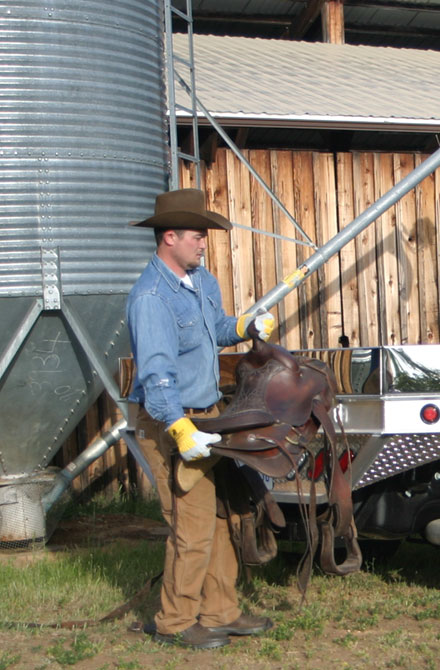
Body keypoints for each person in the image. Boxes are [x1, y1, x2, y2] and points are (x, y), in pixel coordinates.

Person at [126, 188, 277, 650]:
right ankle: (175, 621)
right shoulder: (151, 297)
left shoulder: (201, 281)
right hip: (169, 420)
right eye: (197, 236)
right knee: (191, 524)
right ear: (169, 237)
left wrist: (244, 326)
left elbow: (214, 331)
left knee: (219, 515)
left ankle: (219, 611)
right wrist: (179, 428)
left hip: (207, 414)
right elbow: (156, 373)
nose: (204, 244)